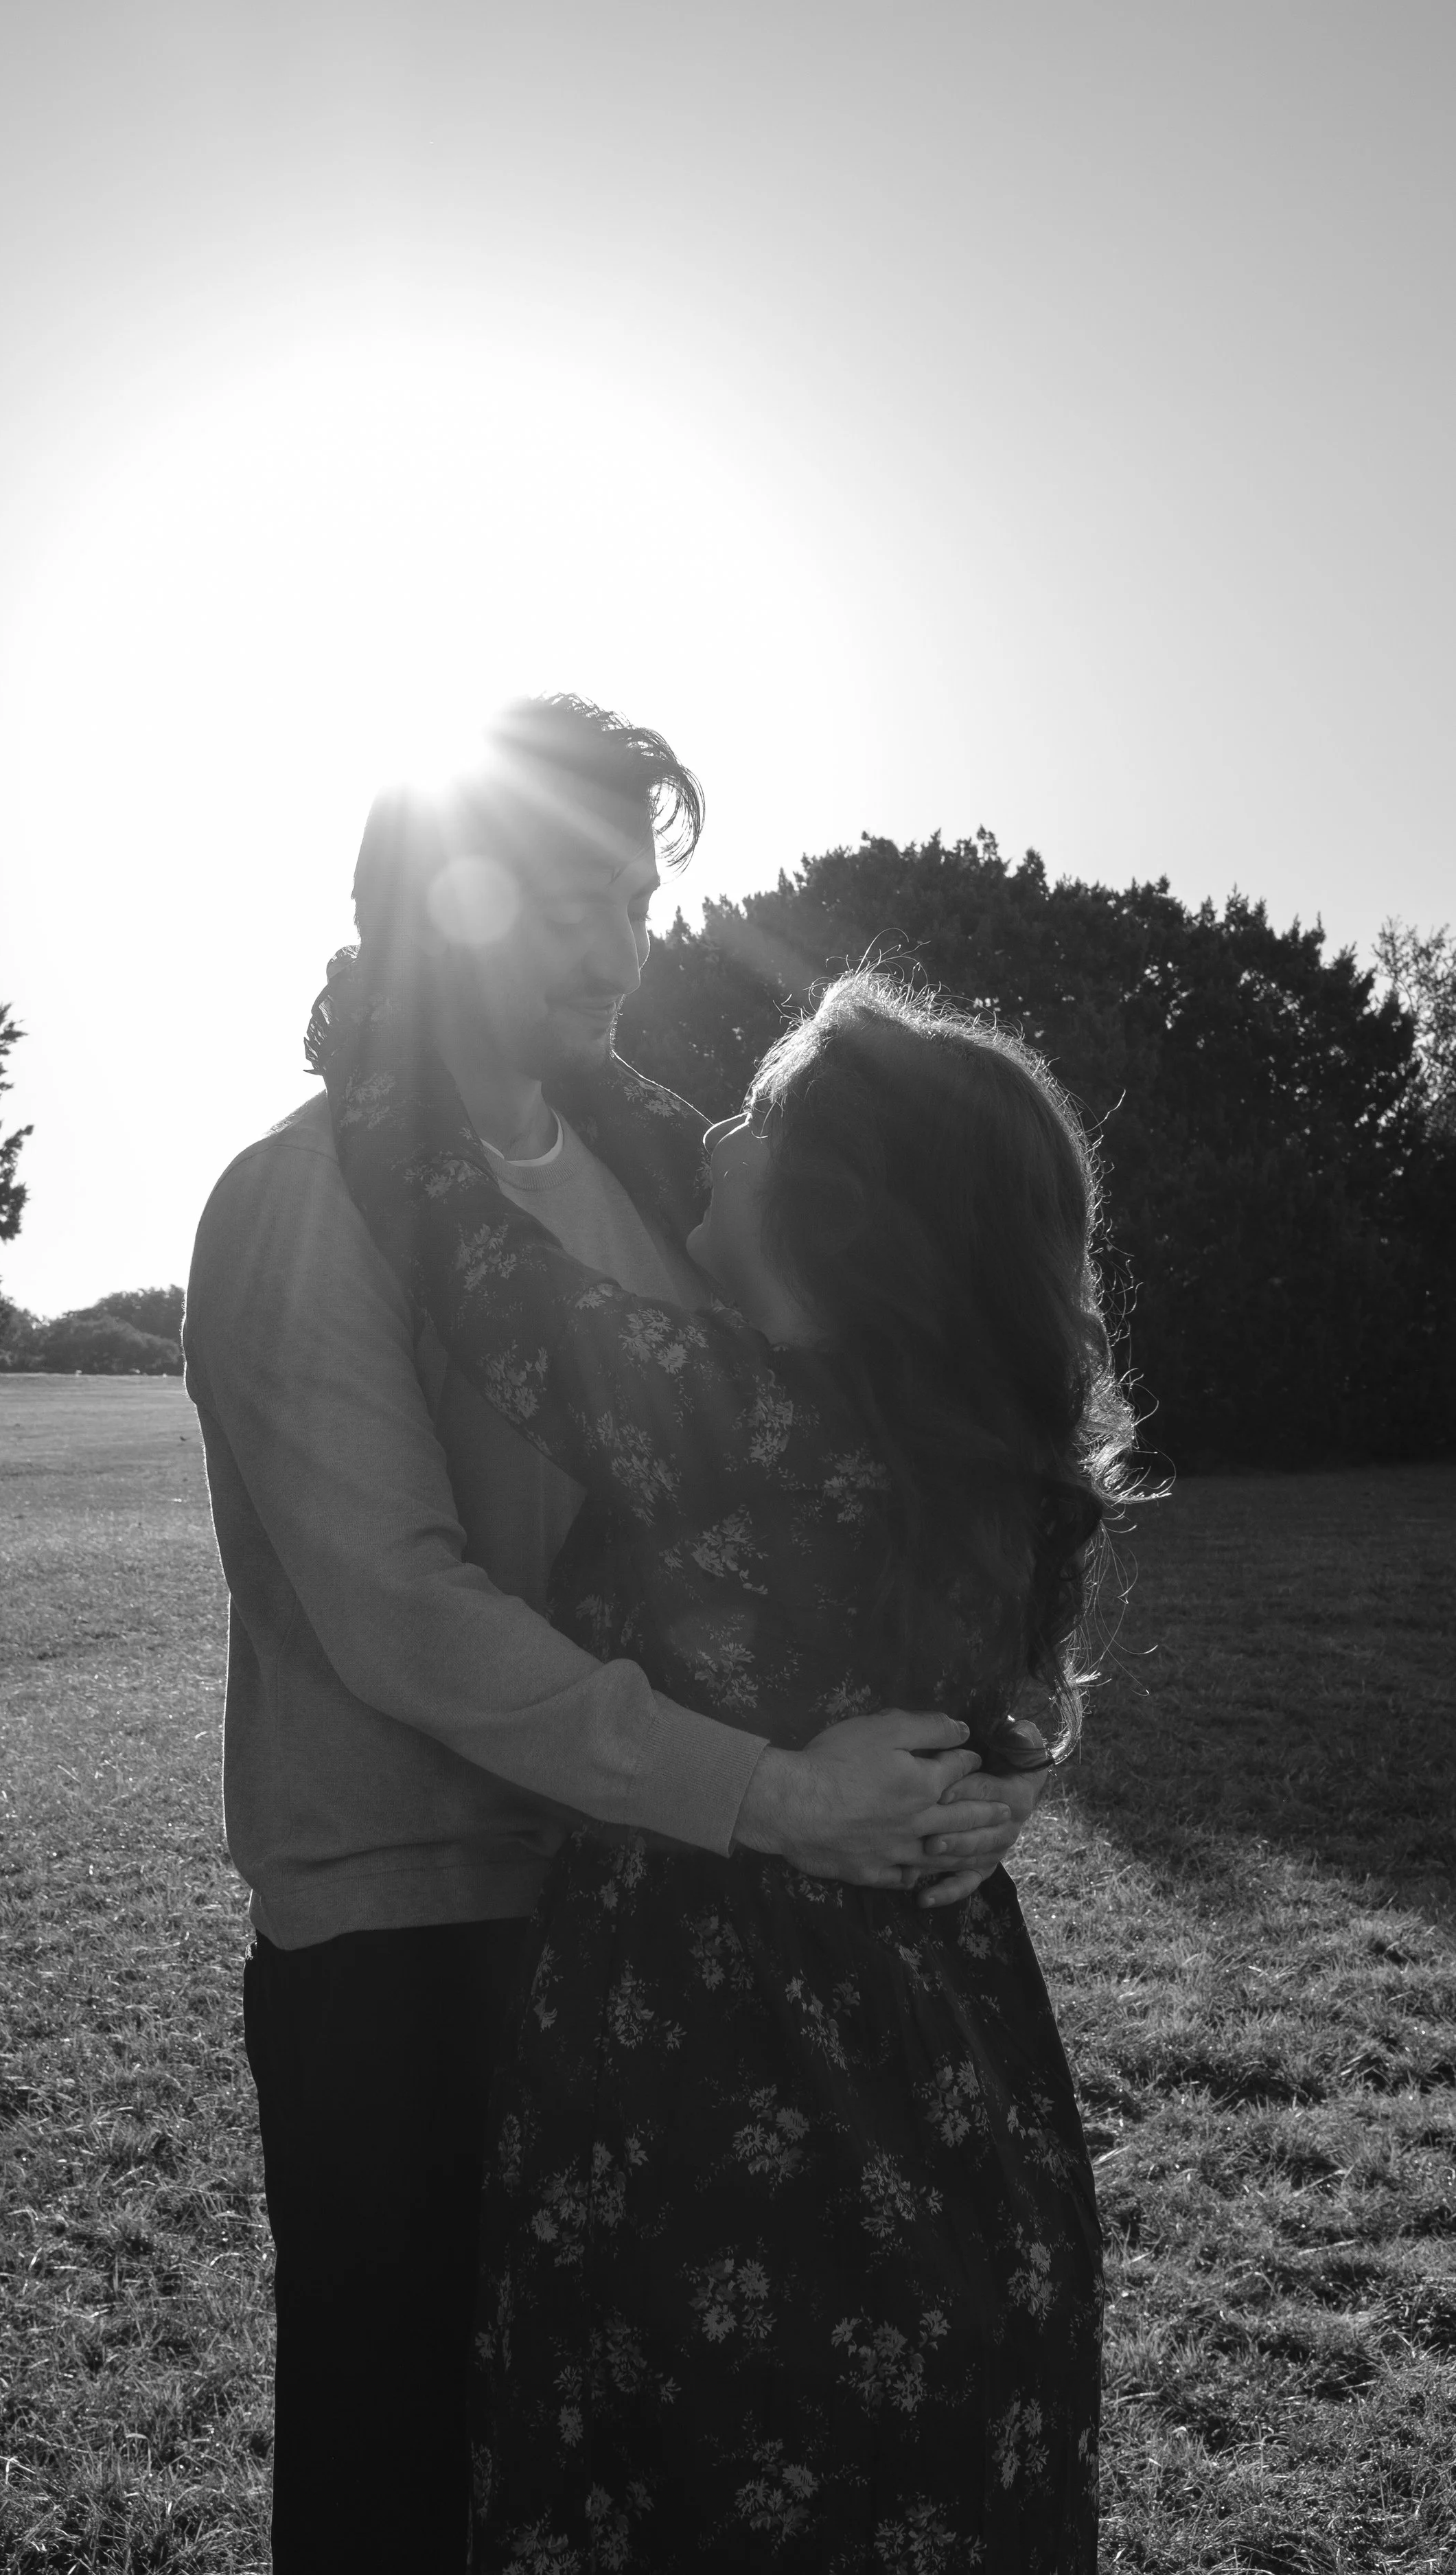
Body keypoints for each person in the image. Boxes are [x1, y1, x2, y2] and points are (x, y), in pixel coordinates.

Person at [183, 697, 1051, 2571]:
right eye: (565, 896)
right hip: (410, 1938)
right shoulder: (298, 1200)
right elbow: (404, 1614)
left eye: (637, 902)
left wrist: (982, 1762)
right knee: (401, 2474)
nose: (618, 948)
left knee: (638, 2475)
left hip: (659, 1936)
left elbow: (884, 1480)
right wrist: (777, 1797)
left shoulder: (664, 1183)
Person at [321, 938, 1137, 2570]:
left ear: (837, 1215)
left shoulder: (729, 1418)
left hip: (732, 2092)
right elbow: (690, 1141)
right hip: (958, 2104)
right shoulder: (975, 1454)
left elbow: (474, 1254)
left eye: (753, 1114)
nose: (705, 1127)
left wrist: (391, 1042)